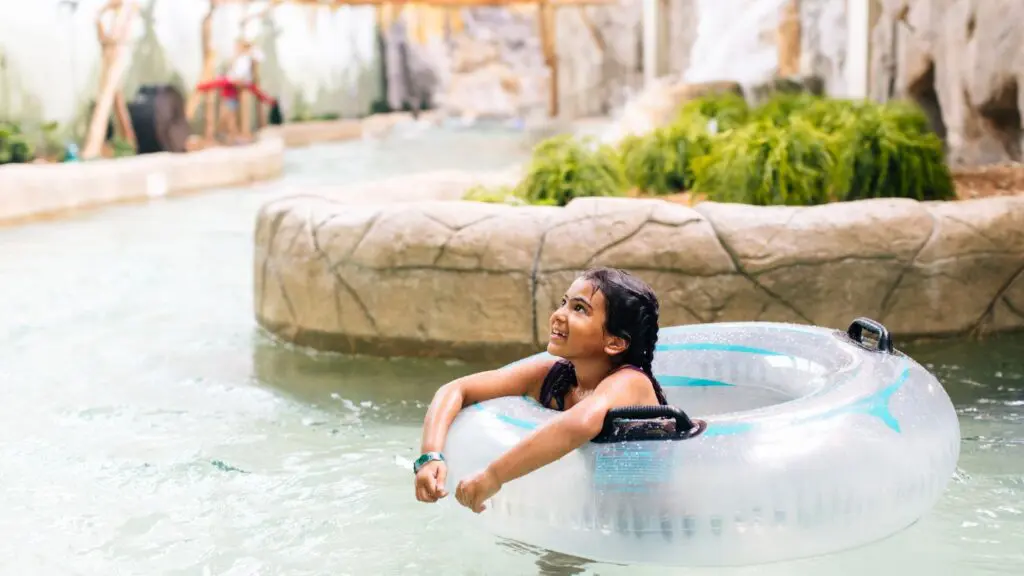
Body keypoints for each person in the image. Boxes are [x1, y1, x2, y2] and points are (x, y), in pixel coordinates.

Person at [414, 267, 669, 513]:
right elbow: (458, 389)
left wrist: (493, 476)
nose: (559, 314)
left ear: (614, 342)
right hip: (596, 513)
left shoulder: (630, 382)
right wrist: (430, 456)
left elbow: (580, 423)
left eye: (579, 309)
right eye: (564, 302)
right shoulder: (552, 378)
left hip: (653, 521)